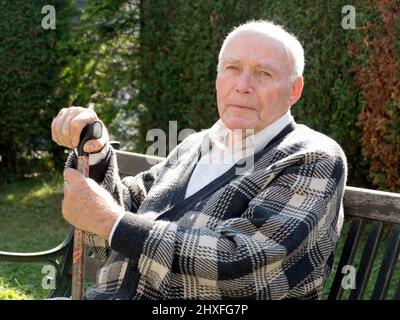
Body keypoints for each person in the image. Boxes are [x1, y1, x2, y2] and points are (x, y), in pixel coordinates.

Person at [51, 20, 347, 300]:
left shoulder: (312, 157)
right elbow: (119, 216)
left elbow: (240, 267)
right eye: (232, 68)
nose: (243, 85)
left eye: (263, 74)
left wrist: (112, 222)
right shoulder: (196, 144)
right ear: (218, 78)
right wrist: (96, 151)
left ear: (294, 90)